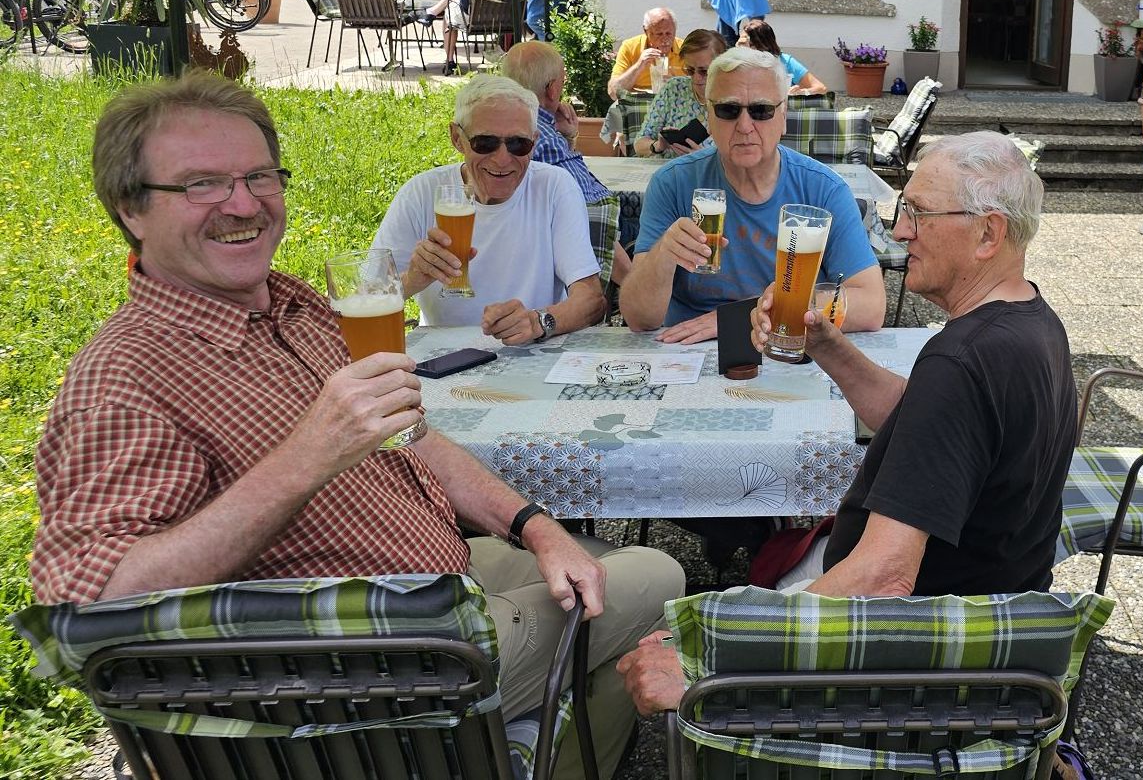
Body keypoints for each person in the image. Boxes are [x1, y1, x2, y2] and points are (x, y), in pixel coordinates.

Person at [30, 73, 683, 778]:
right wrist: (308, 455)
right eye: (201, 184)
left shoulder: (293, 305)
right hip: (376, 657)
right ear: (131, 209)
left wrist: (534, 525)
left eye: (259, 176)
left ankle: (522, 749)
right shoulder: (126, 376)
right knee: (653, 579)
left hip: (441, 571)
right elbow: (87, 610)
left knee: (608, 585)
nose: (243, 204)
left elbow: (414, 434)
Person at [618, 132, 1077, 716]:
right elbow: (925, 423)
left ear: (989, 233)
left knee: (667, 638)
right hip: (990, 624)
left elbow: (884, 577)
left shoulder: (962, 362)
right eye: (902, 209)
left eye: (918, 213)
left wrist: (714, 655)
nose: (900, 231)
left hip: (908, 653)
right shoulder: (1030, 322)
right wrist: (826, 344)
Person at [622, 46, 884, 343]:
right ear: (709, 116)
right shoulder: (673, 183)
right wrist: (663, 255)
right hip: (688, 349)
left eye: (761, 111)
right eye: (728, 110)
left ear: (783, 116)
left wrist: (738, 318)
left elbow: (871, 305)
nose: (745, 126)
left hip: (783, 344)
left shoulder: (823, 189)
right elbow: (638, 318)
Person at [374, 75, 605, 340]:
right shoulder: (421, 193)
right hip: (446, 356)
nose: (502, 159)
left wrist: (538, 322)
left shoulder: (554, 187)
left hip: (531, 352)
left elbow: (591, 299)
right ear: (457, 138)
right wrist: (412, 279)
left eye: (518, 144)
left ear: (534, 142)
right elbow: (364, 298)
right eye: (485, 143)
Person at [501, 41, 632, 293]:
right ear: (551, 89)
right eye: (562, 81)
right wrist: (631, 280)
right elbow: (585, 210)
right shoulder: (539, 137)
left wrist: (568, 136)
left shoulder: (530, 128)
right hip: (605, 239)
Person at [631, 28, 725, 159]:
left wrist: (704, 158)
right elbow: (639, 144)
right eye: (690, 70)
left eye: (704, 71)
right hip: (667, 169)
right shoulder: (674, 89)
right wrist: (658, 146)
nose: (696, 78)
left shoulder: (734, 99)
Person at [737, 17, 829, 96]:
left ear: (763, 44)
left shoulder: (785, 61)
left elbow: (821, 89)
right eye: (741, 43)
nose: (744, 47)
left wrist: (802, 92)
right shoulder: (737, 62)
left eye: (749, 44)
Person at [608, 7, 686, 97]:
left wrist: (677, 83)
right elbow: (613, 92)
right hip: (639, 103)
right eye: (659, 34)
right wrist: (639, 65)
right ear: (646, 31)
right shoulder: (630, 47)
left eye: (669, 33)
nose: (665, 39)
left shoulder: (686, 49)